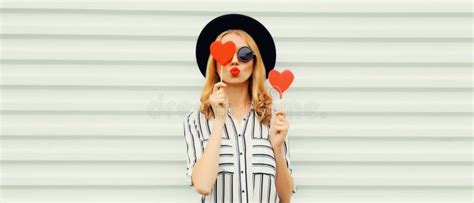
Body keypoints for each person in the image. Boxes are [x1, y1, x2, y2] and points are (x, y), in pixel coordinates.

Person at [183, 14, 296, 203]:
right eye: (226, 55)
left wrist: (277, 148)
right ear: (216, 63)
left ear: (254, 62)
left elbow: (285, 197)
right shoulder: (196, 120)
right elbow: (202, 186)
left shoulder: (273, 119)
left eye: (243, 54)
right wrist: (219, 121)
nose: (235, 61)